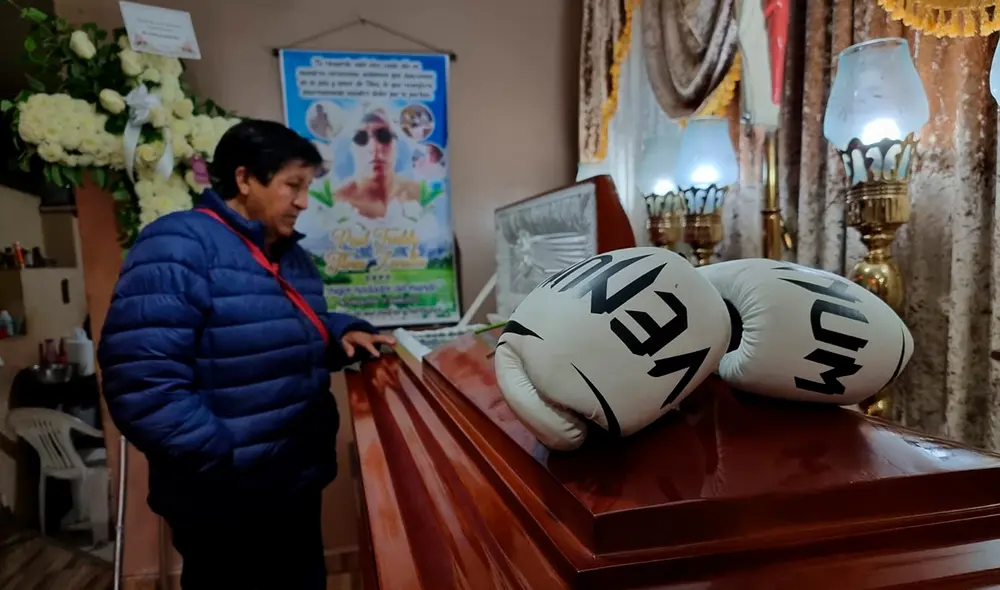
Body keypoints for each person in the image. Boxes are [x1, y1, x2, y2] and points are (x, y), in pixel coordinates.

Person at [98, 119, 395, 589]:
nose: (302, 202)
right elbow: (141, 382)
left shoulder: (288, 252)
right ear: (244, 179)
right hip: (228, 495)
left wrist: (342, 329)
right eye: (291, 186)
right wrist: (221, 459)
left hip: (292, 482)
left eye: (307, 187)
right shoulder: (179, 242)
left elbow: (276, 323)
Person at [334, 107, 420, 218]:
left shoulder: (421, 196)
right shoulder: (334, 204)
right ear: (351, 148)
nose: (374, 148)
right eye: (361, 138)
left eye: (384, 136)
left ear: (397, 145)